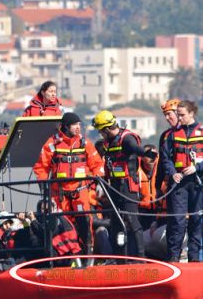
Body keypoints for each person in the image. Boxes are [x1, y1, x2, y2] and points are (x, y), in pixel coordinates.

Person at [33, 112, 104, 255]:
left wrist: (100, 182)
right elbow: (41, 167)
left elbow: (97, 164)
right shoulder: (52, 144)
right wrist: (43, 186)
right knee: (61, 224)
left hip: (80, 190)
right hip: (59, 193)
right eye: (74, 125)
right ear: (65, 126)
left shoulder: (85, 143)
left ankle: (87, 254)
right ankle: (65, 256)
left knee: (85, 221)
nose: (78, 127)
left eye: (79, 124)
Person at [92, 110, 157, 258]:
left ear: (107, 129)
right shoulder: (108, 142)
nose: (101, 135)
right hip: (114, 186)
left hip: (128, 187)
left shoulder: (126, 139)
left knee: (133, 221)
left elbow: (135, 148)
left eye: (101, 131)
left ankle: (140, 257)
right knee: (115, 223)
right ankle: (118, 256)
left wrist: (146, 153)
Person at [160, 100, 202, 262]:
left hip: (198, 183)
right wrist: (172, 173)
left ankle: (194, 259)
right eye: (178, 114)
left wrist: (197, 168)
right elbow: (165, 157)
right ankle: (173, 259)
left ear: (191, 114)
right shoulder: (171, 135)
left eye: (182, 115)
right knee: (177, 222)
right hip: (179, 184)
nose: (179, 117)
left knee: (196, 222)